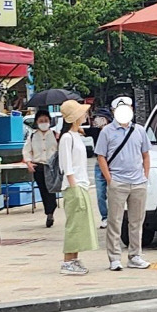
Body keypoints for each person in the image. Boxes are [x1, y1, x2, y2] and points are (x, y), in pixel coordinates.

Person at [95, 96, 152, 271]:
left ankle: (135, 256)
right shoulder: (106, 132)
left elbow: (145, 154)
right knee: (115, 221)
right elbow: (101, 156)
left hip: (138, 182)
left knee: (136, 221)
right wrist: (109, 179)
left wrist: (145, 175)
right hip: (118, 182)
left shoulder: (139, 130)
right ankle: (114, 258)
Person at [58, 100, 99, 275]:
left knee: (80, 225)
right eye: (82, 113)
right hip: (74, 186)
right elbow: (66, 166)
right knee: (74, 225)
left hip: (81, 185)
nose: (85, 115)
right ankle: (67, 261)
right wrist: (74, 186)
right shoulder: (67, 138)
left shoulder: (76, 136)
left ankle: (74, 259)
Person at [22, 110, 58, 228]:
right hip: (39, 166)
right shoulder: (32, 136)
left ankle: (50, 212)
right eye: (41, 121)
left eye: (46, 121)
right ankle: (48, 212)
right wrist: (29, 163)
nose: (44, 123)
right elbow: (26, 150)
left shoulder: (55, 135)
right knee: (43, 190)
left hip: (51, 167)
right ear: (36, 122)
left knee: (51, 189)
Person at [84, 108, 114, 229]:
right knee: (100, 192)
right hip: (99, 164)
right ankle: (105, 217)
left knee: (115, 191)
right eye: (97, 118)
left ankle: (116, 215)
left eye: (101, 118)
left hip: (113, 164)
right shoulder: (95, 131)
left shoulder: (114, 131)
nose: (98, 120)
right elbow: (80, 130)